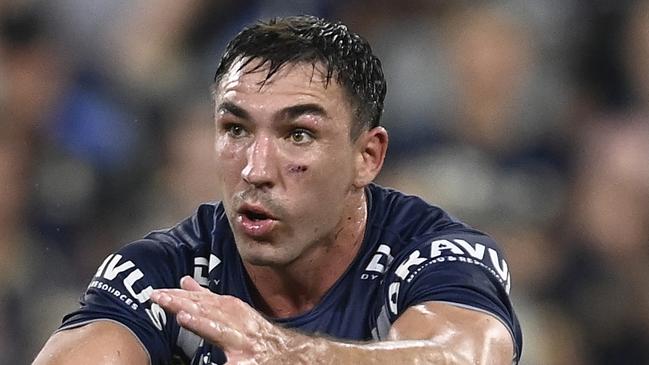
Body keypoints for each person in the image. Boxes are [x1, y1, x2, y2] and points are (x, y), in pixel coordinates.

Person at [34, 15, 522, 364]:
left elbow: (465, 355)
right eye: (236, 129)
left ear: (366, 157)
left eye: (298, 135)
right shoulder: (168, 275)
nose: (256, 169)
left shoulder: (435, 253)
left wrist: (284, 351)